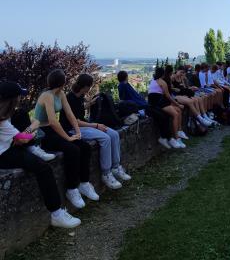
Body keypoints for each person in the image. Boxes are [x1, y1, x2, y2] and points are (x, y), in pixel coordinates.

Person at [0, 81, 81, 228]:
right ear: (12, 100)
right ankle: (57, 214)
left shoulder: (6, 115)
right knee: (43, 168)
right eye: (19, 96)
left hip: (7, 146)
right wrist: (33, 130)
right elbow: (22, 139)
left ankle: (33, 149)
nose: (21, 98)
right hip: (3, 155)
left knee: (22, 114)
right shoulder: (2, 121)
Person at [35, 69, 99, 209]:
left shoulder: (61, 93)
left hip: (53, 130)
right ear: (63, 82)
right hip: (43, 133)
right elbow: (53, 121)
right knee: (72, 149)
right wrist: (68, 138)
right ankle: (72, 189)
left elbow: (70, 115)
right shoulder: (47, 96)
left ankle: (84, 183)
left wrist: (77, 131)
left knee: (85, 147)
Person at [60, 74, 131, 190]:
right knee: (105, 138)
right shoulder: (70, 98)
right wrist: (96, 125)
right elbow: (75, 121)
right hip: (72, 129)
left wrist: (90, 103)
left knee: (114, 134)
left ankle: (116, 167)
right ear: (85, 86)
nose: (90, 88)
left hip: (83, 125)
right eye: (90, 86)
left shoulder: (80, 96)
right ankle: (106, 173)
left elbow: (79, 110)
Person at [148, 67, 186, 149]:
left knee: (177, 111)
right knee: (175, 114)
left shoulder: (153, 81)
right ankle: (176, 138)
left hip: (153, 103)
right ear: (162, 74)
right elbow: (168, 96)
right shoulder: (162, 82)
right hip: (158, 103)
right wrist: (178, 104)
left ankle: (178, 132)